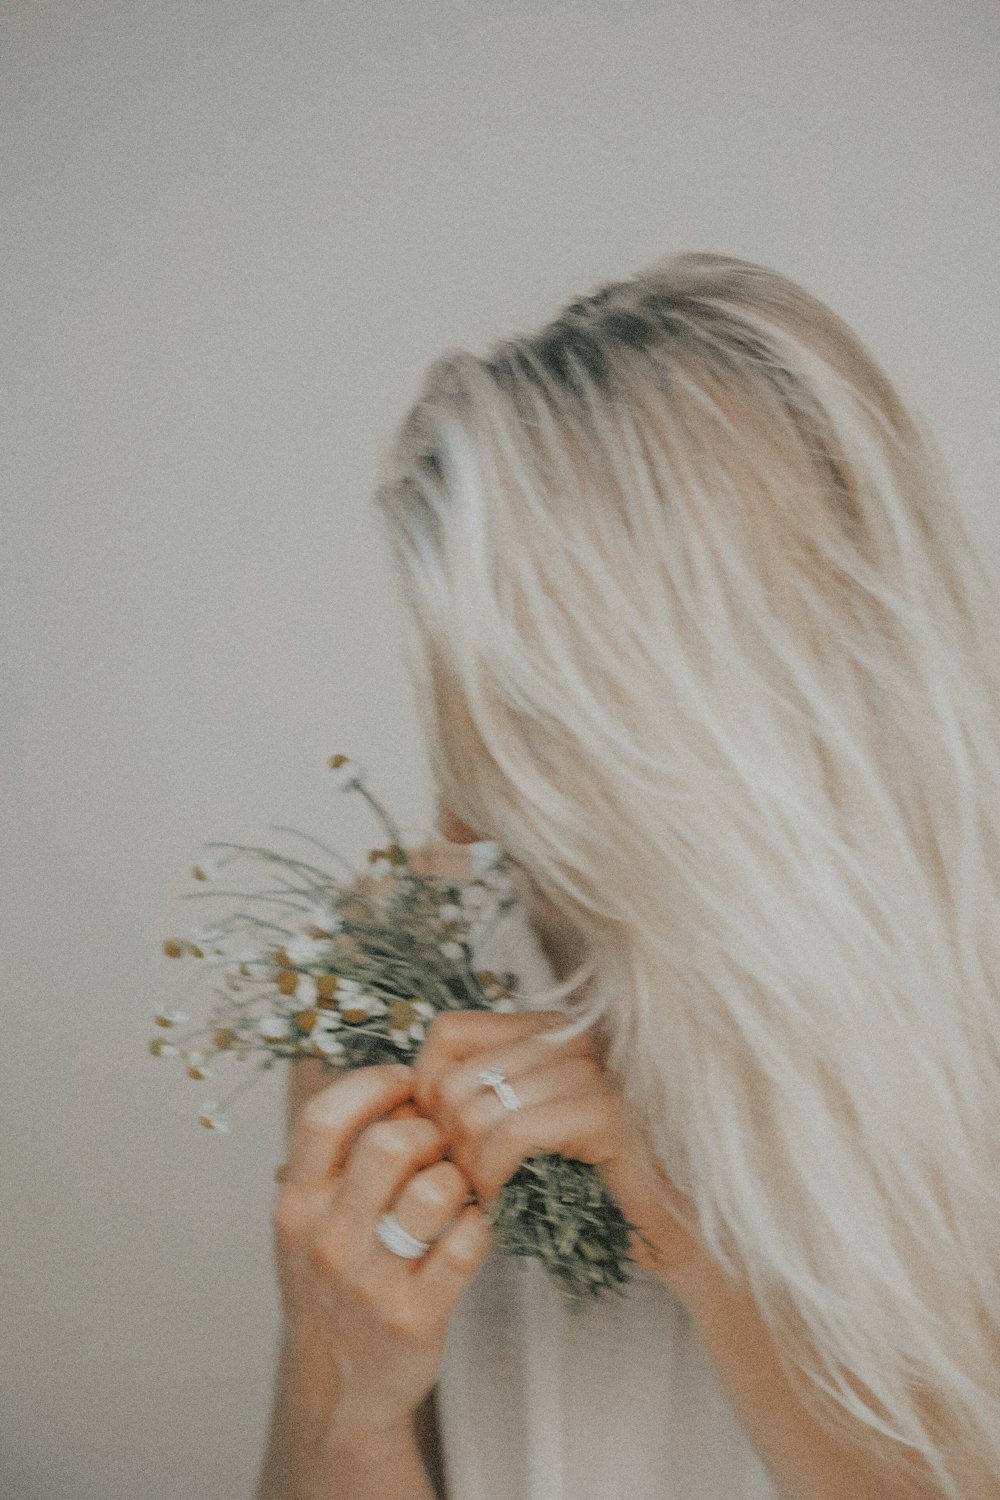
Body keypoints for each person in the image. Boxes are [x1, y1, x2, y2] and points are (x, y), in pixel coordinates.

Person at [255, 253, 1000, 1500]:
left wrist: (704, 1250)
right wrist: (342, 1396)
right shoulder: (405, 972)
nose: (458, 810)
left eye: (518, 711)